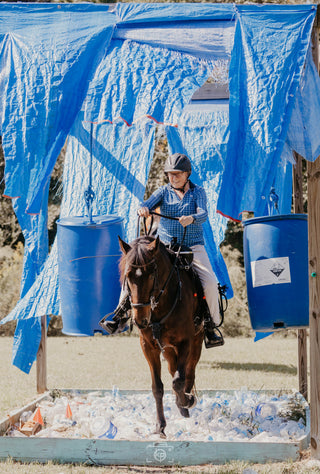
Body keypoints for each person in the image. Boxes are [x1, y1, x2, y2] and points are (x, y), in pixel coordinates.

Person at [102, 153, 224, 348]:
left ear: (187, 174)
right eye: (170, 174)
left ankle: (211, 326)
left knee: (210, 282)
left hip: (192, 246)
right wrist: (142, 209)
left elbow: (203, 214)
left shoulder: (198, 192)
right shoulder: (162, 191)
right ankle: (119, 315)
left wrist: (192, 218)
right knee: (135, 274)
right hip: (165, 247)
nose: (173, 178)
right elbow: (146, 204)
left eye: (177, 174)